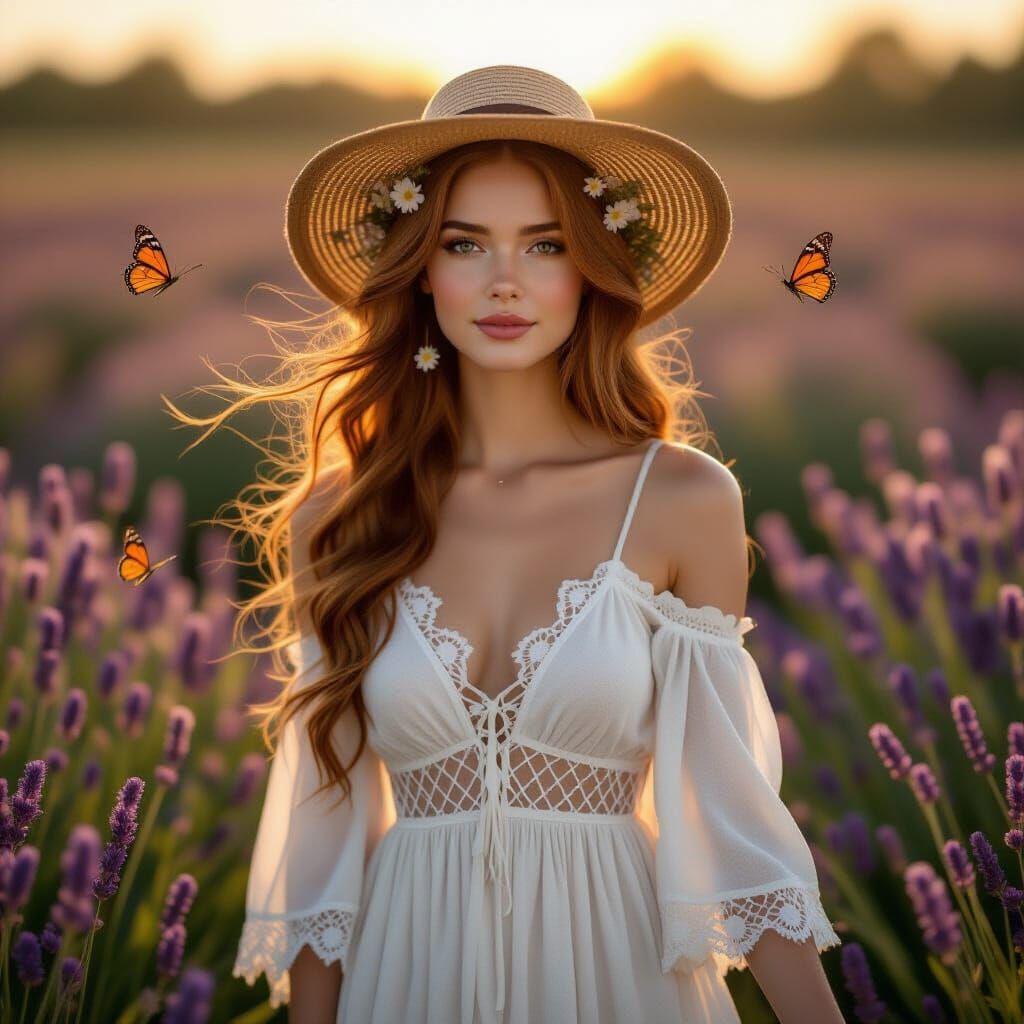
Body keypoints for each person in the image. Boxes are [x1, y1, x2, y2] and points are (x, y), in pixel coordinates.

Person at [224, 64, 845, 1023]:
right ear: (419, 270)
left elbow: (728, 821)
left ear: (592, 268)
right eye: (465, 244)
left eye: (545, 244)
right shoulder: (340, 520)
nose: (505, 281)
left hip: (620, 980)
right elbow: (324, 842)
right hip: (405, 980)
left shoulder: (679, 499)